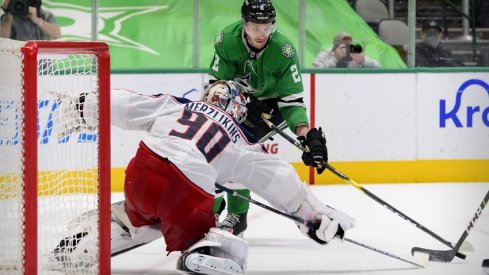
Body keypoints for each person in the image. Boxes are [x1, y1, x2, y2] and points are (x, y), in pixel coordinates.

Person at [53, 80, 355, 274]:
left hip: (140, 174)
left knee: (142, 219)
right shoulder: (239, 139)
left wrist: (82, 107)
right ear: (236, 108)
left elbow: (125, 103)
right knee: (228, 248)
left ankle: (84, 243)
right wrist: (312, 217)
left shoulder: (176, 105)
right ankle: (204, 249)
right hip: (184, 190)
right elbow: (276, 175)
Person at [208, 0, 329, 238]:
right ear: (244, 24)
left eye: (267, 27)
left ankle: (238, 215)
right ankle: (209, 209)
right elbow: (216, 87)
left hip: (271, 108)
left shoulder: (283, 51)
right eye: (255, 28)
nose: (262, 34)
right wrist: (241, 100)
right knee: (213, 149)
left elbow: (292, 102)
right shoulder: (227, 40)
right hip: (234, 100)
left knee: (242, 150)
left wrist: (307, 135)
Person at [312, 32, 382, 68]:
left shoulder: (354, 54)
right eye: (343, 46)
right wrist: (335, 59)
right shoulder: (325, 55)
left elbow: (379, 67)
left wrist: (363, 61)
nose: (346, 49)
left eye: (349, 45)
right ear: (335, 47)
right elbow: (313, 73)